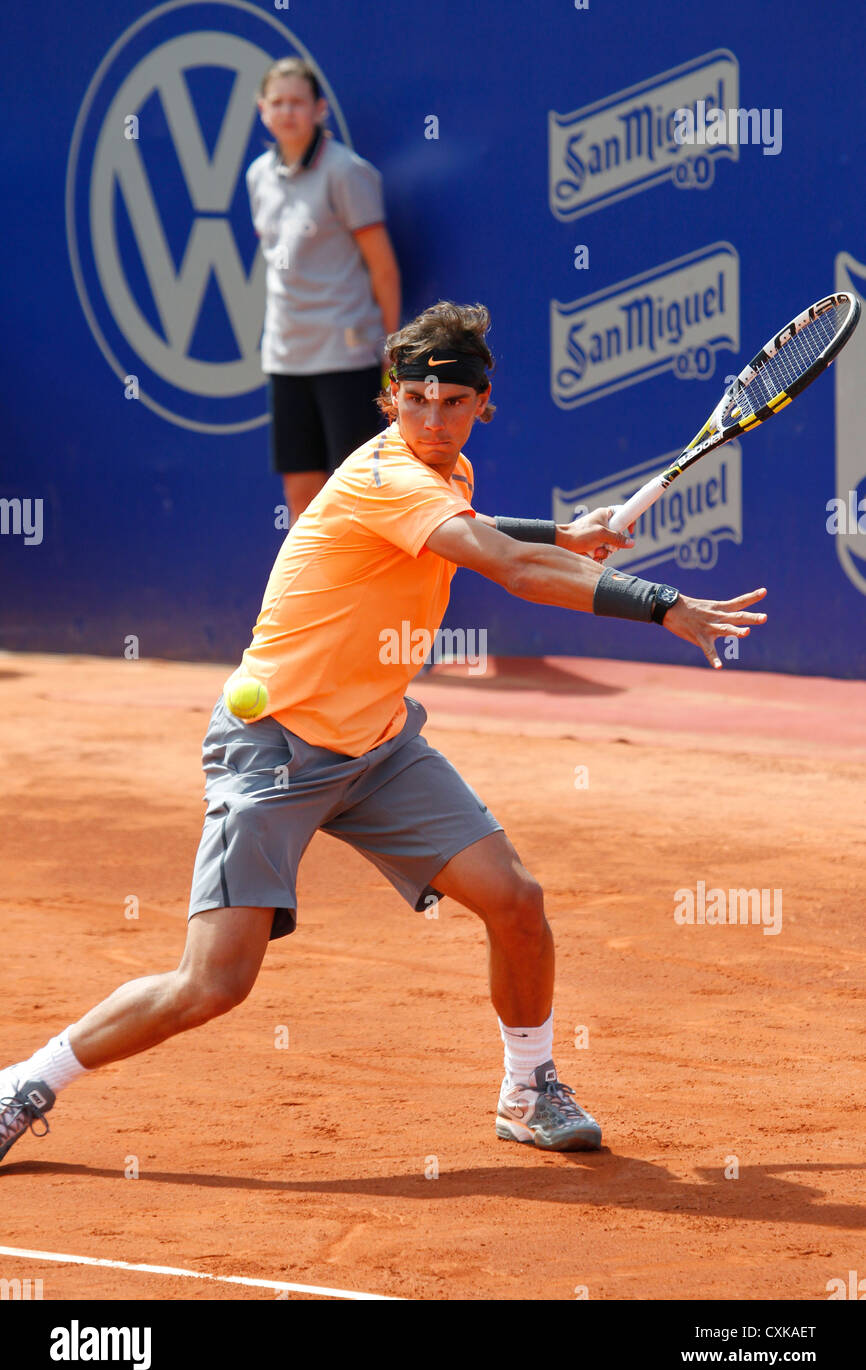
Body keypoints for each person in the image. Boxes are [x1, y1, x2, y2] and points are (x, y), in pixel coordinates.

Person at [0, 301, 767, 1163]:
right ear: (390, 402)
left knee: (517, 903)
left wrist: (564, 531)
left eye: (451, 402)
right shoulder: (386, 475)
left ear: (482, 403)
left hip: (377, 745)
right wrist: (663, 604)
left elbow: (484, 533)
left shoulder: (447, 474)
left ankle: (529, 1087)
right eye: (415, 401)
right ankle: (28, 1080)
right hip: (277, 749)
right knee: (212, 984)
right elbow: (510, 570)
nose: (433, 420)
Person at [249, 56, 401, 526]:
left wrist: (391, 349)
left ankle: (364, 599)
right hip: (286, 356)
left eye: (298, 101)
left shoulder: (346, 172)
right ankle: (308, 599)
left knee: (356, 493)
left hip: (346, 355)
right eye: (278, 102)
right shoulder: (257, 176)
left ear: (318, 109)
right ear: (263, 111)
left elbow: (383, 268)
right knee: (300, 492)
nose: (288, 111)